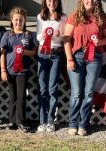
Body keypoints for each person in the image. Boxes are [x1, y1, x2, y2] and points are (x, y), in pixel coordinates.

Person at [63, 0, 106, 136]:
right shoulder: (74, 16)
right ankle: (73, 123)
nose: (90, 1)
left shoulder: (101, 18)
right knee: (77, 92)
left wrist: (101, 41)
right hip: (76, 56)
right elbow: (66, 39)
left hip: (94, 57)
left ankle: (83, 124)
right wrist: (69, 59)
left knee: (89, 92)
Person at [0, 7, 37, 133]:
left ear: (24, 20)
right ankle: (11, 121)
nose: (18, 23)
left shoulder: (29, 35)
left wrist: (25, 52)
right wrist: (3, 70)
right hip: (10, 71)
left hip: (23, 71)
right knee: (12, 96)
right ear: (12, 20)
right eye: (16, 20)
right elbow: (3, 54)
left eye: (20, 20)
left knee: (21, 96)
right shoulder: (7, 35)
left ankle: (20, 121)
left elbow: (34, 52)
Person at [35, 0, 67, 133]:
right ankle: (42, 121)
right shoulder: (40, 16)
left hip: (56, 54)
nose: (51, 3)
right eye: (49, 0)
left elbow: (65, 37)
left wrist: (60, 35)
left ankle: (50, 120)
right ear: (45, 2)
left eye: (54, 1)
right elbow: (37, 36)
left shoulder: (63, 17)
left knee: (52, 88)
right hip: (42, 53)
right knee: (42, 88)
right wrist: (43, 35)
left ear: (58, 3)